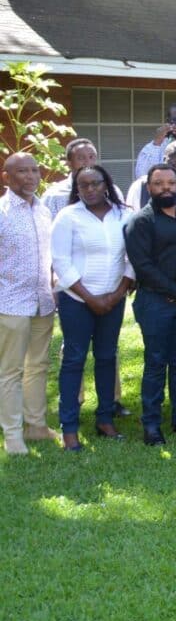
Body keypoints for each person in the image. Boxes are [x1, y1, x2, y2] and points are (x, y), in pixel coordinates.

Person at [122, 163, 176, 445]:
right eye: (159, 184)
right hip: (155, 302)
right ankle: (151, 425)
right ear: (149, 188)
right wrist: (175, 290)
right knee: (156, 362)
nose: (166, 188)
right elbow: (143, 266)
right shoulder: (141, 221)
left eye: (171, 183)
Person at [50, 166, 133, 450]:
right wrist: (91, 298)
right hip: (77, 301)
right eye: (83, 185)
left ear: (106, 184)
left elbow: (132, 258)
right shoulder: (68, 216)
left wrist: (116, 294)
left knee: (107, 356)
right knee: (74, 360)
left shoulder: (124, 215)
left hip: (114, 298)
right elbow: (60, 262)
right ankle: (69, 427)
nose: (89, 189)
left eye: (95, 183)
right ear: (77, 188)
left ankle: (105, 418)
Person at [1, 152, 58, 454]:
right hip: (9, 303)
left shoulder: (44, 211)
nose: (31, 176)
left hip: (42, 301)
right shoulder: (1, 212)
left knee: (38, 365)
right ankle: (12, 435)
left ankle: (36, 426)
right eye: (22, 171)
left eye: (35, 170)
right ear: (6, 177)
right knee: (10, 371)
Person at [42, 138, 97, 217]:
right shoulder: (54, 196)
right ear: (69, 163)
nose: (88, 163)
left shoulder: (109, 191)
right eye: (81, 158)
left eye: (91, 157)